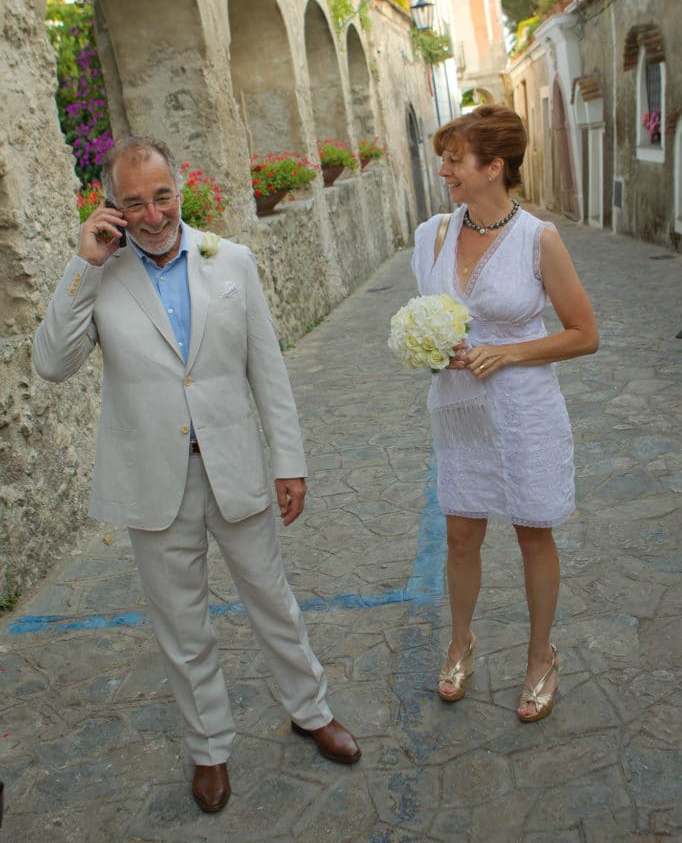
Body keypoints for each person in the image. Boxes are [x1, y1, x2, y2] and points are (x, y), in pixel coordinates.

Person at [33, 136, 360, 814]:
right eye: (134, 204)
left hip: (236, 466)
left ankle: (311, 710)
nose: (153, 215)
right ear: (110, 206)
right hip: (153, 481)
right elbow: (52, 363)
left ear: (180, 189)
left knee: (273, 600)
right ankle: (209, 747)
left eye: (163, 197)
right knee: (182, 628)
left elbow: (266, 368)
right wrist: (83, 264)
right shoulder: (101, 273)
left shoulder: (230, 259)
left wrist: (289, 461)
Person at [411, 105, 598, 723]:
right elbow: (430, 316)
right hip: (459, 409)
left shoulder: (538, 239)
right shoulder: (432, 235)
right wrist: (431, 348)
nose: (443, 171)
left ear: (494, 167)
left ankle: (541, 655)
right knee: (460, 534)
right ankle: (460, 641)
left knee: (532, 533)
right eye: (443, 160)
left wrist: (510, 351)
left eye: (454, 160)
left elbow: (584, 334)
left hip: (525, 410)